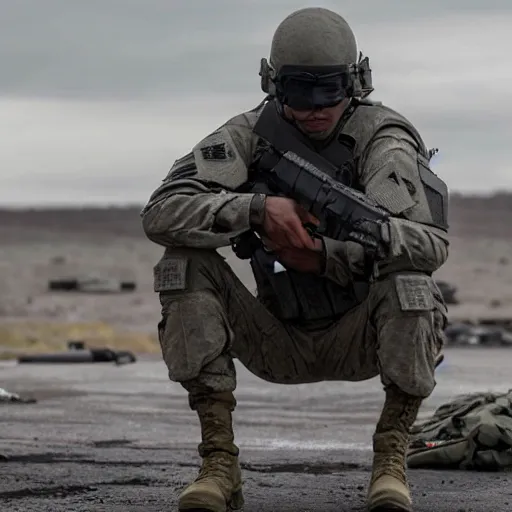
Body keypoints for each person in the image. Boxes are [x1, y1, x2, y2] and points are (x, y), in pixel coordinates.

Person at [141, 7, 449, 512]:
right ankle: (219, 463)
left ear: (355, 83)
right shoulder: (247, 136)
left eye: (329, 91)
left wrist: (324, 255)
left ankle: (391, 461)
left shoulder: (382, 138)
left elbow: (430, 245)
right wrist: (255, 209)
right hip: (274, 336)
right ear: (273, 86)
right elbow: (160, 214)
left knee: (411, 283)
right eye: (298, 93)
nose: (315, 108)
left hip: (361, 333)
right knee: (183, 263)